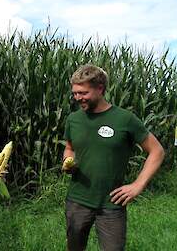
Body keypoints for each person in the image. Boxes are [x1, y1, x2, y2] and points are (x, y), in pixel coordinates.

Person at [62, 64, 165, 251]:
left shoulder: (125, 119)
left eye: (83, 93)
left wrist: (137, 185)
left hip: (112, 203)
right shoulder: (73, 119)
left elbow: (157, 151)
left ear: (100, 88)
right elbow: (69, 148)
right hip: (77, 200)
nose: (78, 98)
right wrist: (67, 161)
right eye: (75, 93)